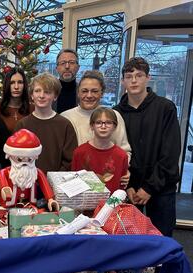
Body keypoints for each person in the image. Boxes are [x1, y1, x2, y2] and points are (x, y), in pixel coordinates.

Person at [114, 57, 181, 237]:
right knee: (126, 240)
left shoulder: (165, 108)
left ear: (148, 78)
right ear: (123, 81)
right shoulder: (116, 113)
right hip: (129, 189)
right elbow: (117, 152)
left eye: (139, 75)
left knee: (161, 240)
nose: (134, 80)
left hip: (161, 188)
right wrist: (129, 186)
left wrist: (149, 188)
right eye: (129, 76)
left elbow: (170, 152)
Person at [15, 72, 78, 174]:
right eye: (37, 91)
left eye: (47, 92)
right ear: (31, 95)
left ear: (55, 96)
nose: (41, 96)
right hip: (28, 182)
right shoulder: (22, 125)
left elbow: (70, 161)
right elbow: (16, 158)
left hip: (56, 183)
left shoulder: (65, 125)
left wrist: (52, 180)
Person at [61, 70, 131, 159]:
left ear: (102, 93)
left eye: (94, 91)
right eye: (84, 91)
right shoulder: (66, 117)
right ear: (78, 93)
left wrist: (119, 169)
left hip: (107, 171)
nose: (89, 95)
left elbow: (124, 152)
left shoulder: (114, 116)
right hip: (74, 171)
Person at [0, 129, 59, 211]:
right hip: (8, 206)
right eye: (19, 159)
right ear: (9, 156)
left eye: (29, 160)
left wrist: (50, 199)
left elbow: (45, 186)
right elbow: (1, 179)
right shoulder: (4, 172)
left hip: (29, 205)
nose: (24, 163)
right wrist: (5, 188)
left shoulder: (36, 172)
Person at [72, 107, 129, 194]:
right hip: (84, 205)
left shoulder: (121, 155)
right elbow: (74, 184)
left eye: (108, 123)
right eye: (98, 123)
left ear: (115, 126)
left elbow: (121, 189)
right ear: (92, 126)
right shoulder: (79, 152)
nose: (103, 126)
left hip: (111, 205)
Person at [0, 67, 33, 133]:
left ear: (24, 85)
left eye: (20, 82)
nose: (16, 87)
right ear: (7, 84)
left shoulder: (32, 109)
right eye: (12, 83)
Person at [54, 48, 80, 114]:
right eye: (63, 63)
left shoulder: (84, 92)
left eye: (71, 62)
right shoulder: (48, 91)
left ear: (78, 67)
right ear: (56, 68)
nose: (67, 66)